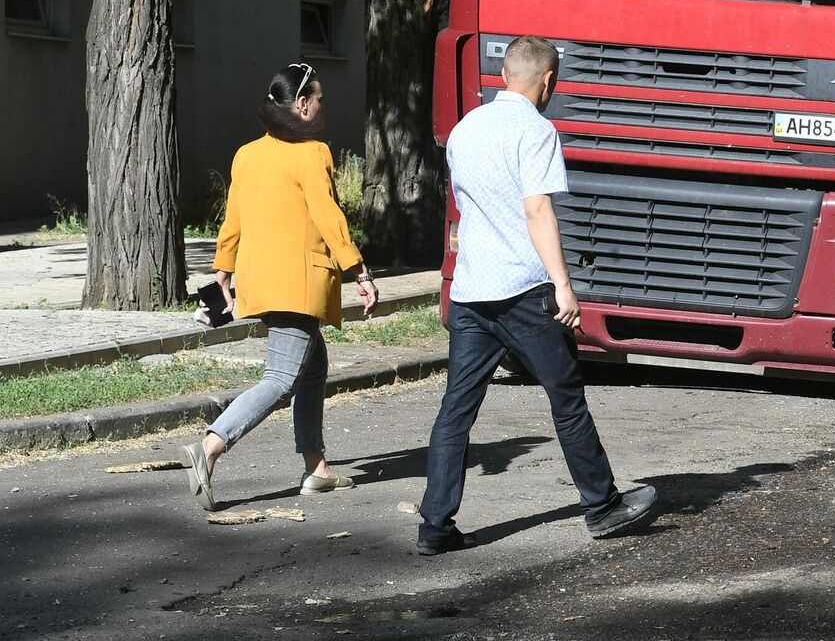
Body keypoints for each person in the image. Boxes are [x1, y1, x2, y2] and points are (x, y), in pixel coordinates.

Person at [416, 35, 659, 554]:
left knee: (456, 409)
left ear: (504, 75)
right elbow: (537, 210)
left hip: (472, 288)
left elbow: (465, 205)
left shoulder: (464, 129)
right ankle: (602, 506)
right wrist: (564, 286)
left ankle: (435, 525)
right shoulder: (537, 130)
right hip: (523, 289)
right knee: (566, 398)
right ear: (549, 81)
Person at [182, 63, 378, 511]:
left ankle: (317, 468)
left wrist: (224, 269)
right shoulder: (313, 153)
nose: (323, 107)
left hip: (262, 280)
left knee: (312, 368)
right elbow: (330, 216)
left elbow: (232, 219)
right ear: (302, 104)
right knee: (280, 379)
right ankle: (209, 447)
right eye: (319, 99)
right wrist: (359, 271)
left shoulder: (246, 154)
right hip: (299, 282)